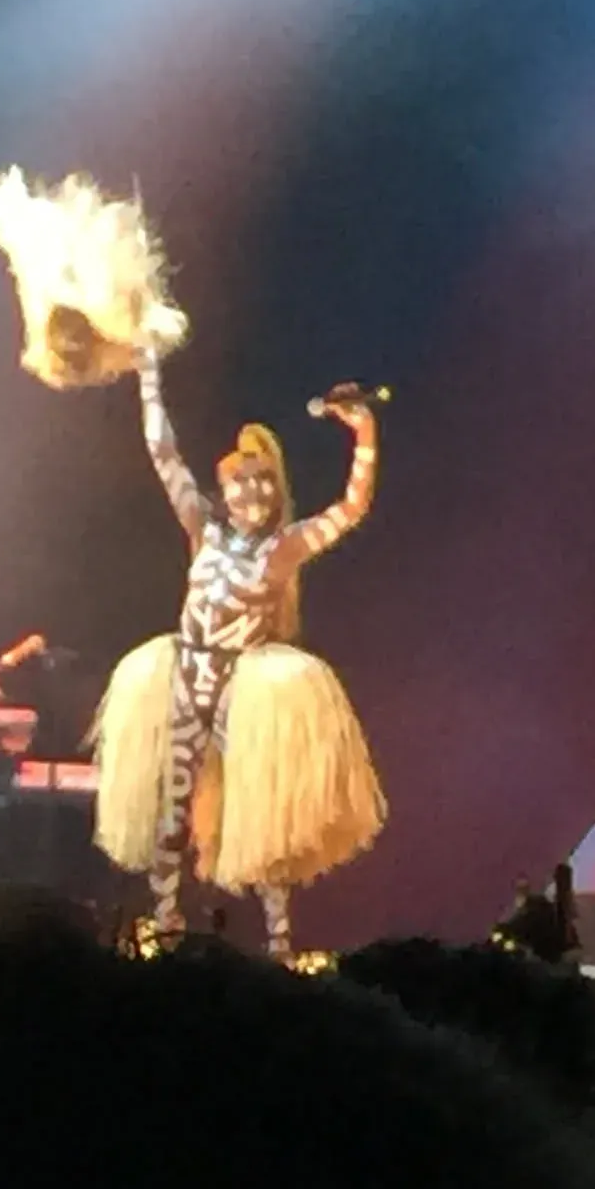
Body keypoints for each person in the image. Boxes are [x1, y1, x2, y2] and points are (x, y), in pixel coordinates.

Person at [89, 351, 386, 959]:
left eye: (262, 482)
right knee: (172, 810)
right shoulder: (203, 527)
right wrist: (148, 371)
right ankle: (166, 924)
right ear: (223, 492)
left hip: (243, 689)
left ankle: (278, 941)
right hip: (182, 674)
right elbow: (162, 452)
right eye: (239, 482)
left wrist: (364, 433)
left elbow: (352, 509)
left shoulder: (284, 547)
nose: (251, 491)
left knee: (260, 814)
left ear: (275, 490)